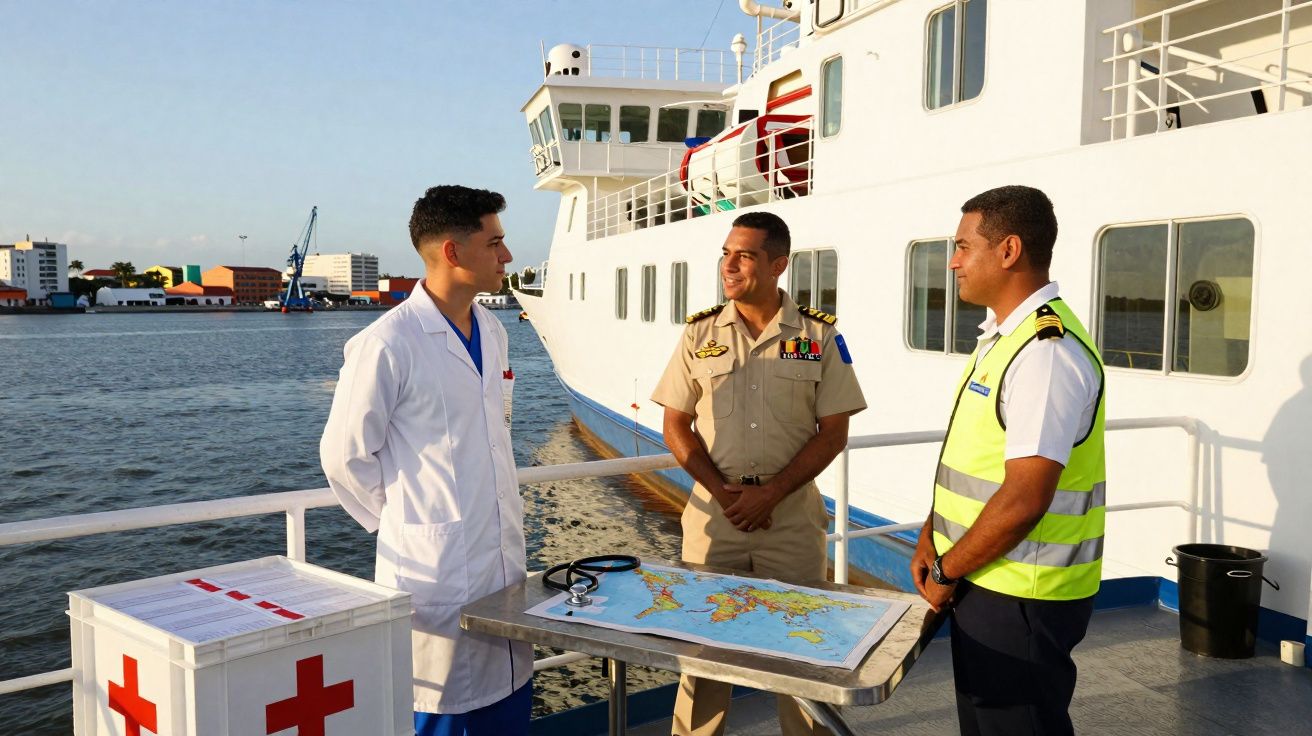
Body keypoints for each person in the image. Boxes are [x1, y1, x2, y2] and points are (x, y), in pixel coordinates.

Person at [320, 185, 529, 736]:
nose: (507, 255)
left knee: (508, 705)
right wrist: (409, 519)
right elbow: (344, 457)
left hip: (501, 560)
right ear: (454, 253)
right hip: (432, 572)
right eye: (496, 242)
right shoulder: (387, 343)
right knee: (444, 711)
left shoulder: (494, 330)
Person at [651, 211, 866, 736]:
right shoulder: (699, 332)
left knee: (801, 653)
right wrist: (724, 496)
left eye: (744, 255)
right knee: (703, 655)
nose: (729, 265)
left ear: (777, 265)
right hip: (714, 522)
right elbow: (676, 424)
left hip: (790, 523)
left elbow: (833, 432)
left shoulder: (817, 335)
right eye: (726, 253)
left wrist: (771, 494)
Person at [911, 185, 1106, 736]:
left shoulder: (1045, 353)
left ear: (1009, 250)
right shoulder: (1006, 338)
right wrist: (933, 534)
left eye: (963, 246)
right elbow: (977, 461)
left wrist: (949, 569)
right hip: (989, 577)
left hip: (1023, 593)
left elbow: (1025, 496)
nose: (953, 261)